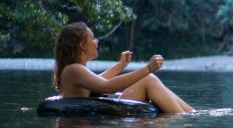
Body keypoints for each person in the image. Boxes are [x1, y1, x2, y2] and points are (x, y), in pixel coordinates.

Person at [53, 22, 193, 113]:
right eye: (93, 38)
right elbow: (106, 87)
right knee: (148, 78)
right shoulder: (73, 69)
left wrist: (121, 65)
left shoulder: (74, 70)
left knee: (148, 79)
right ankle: (184, 117)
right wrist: (148, 68)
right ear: (82, 45)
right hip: (89, 115)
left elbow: (97, 81)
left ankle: (190, 112)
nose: (97, 41)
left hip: (92, 112)